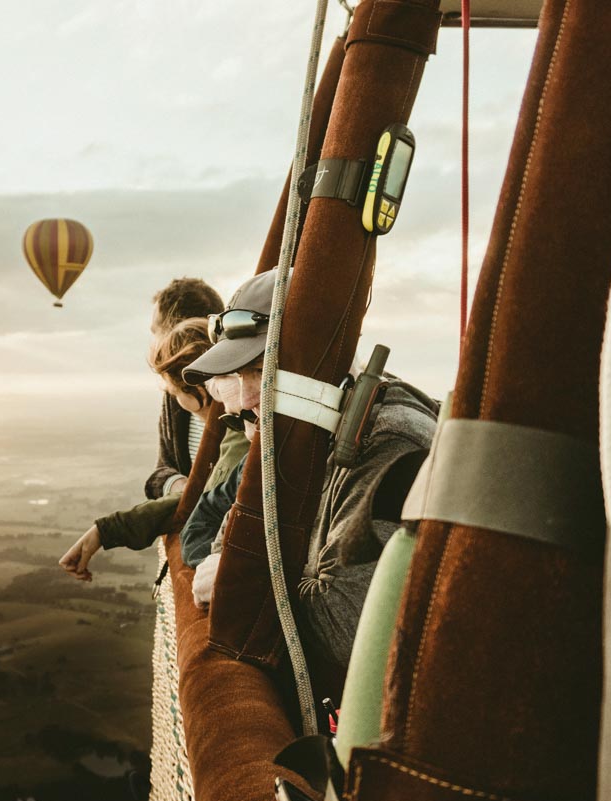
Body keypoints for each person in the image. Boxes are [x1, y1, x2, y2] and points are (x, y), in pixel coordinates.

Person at [180, 268, 438, 670]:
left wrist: (241, 585)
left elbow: (346, 634)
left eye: (262, 371)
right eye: (238, 374)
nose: (244, 398)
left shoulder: (389, 444)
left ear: (317, 364)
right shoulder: (298, 439)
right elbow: (225, 540)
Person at [58, 319, 250, 582]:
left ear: (195, 389)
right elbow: (165, 473)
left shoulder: (240, 429)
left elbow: (203, 500)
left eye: (173, 392)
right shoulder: (223, 424)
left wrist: (107, 530)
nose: (174, 402)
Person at [145, 278, 225, 501]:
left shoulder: (239, 399)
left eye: (156, 331)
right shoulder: (175, 395)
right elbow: (161, 471)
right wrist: (177, 486)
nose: (154, 341)